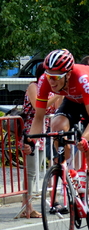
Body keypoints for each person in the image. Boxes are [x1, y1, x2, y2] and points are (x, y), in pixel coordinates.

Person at [24, 49, 89, 230]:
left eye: (57, 77)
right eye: (49, 76)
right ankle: (67, 168)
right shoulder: (45, 81)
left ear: (68, 74)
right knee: (56, 123)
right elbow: (39, 118)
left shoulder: (82, 78)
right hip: (71, 102)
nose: (52, 81)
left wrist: (85, 139)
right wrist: (30, 142)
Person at [18, 65, 63, 218]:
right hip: (32, 130)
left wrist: (60, 94)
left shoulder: (51, 90)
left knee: (37, 170)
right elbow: (39, 107)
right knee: (30, 171)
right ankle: (27, 206)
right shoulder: (34, 86)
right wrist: (57, 96)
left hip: (44, 132)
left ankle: (29, 204)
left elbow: (56, 108)